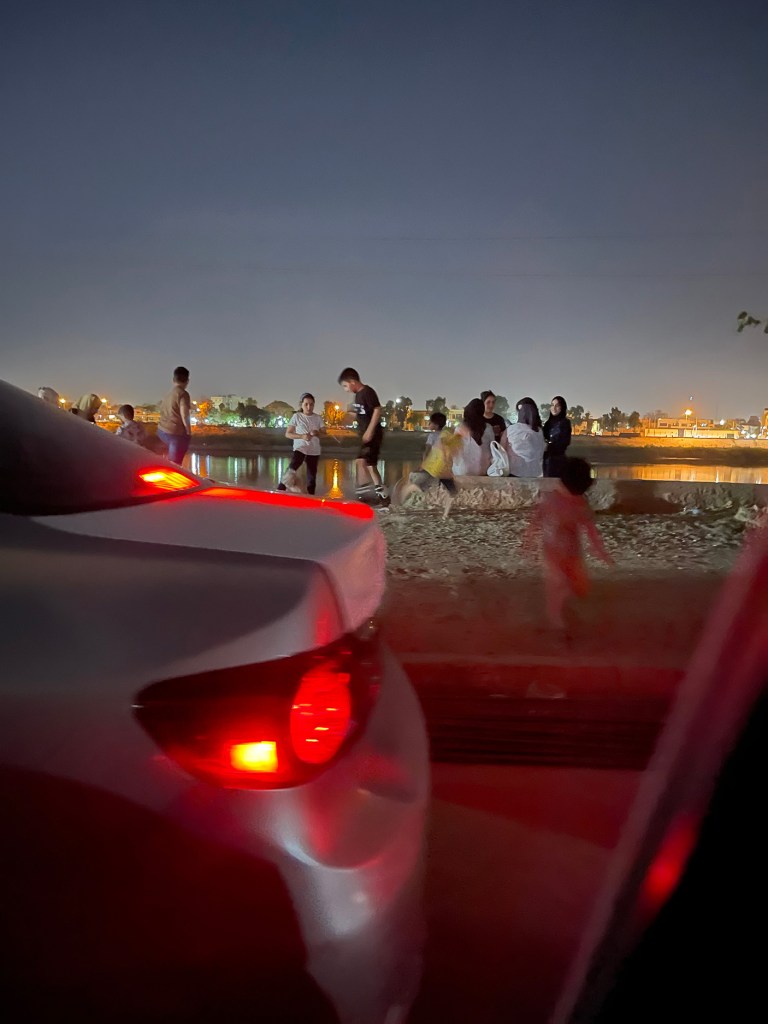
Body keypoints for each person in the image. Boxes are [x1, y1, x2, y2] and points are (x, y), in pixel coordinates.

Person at [526, 457, 614, 629]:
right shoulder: (571, 503)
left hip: (564, 551)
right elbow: (592, 532)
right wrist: (601, 552)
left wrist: (528, 542)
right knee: (560, 584)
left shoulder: (561, 501)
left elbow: (535, 522)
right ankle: (557, 621)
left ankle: (561, 614)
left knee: (573, 586)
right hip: (559, 552)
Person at [393, 412, 463, 517]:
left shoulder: (432, 436)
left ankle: (403, 499)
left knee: (418, 484)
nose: (429, 424)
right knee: (450, 491)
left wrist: (423, 464)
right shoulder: (446, 434)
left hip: (433, 467)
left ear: (436, 425)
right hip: (441, 468)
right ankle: (445, 514)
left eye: (430, 423)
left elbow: (427, 451)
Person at [337, 367, 388, 503]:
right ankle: (372, 495)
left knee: (366, 463)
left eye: (345, 386)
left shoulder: (367, 392)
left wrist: (370, 430)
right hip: (365, 435)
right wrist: (343, 426)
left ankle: (377, 496)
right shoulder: (358, 396)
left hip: (373, 434)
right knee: (365, 463)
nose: (345, 390)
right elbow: (355, 414)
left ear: (352, 381)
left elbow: (377, 410)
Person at [277, 392, 323, 495]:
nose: (309, 407)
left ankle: (311, 498)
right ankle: (279, 491)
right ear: (301, 405)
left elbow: (324, 433)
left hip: (314, 450)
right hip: (300, 448)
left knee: (311, 478)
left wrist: (317, 433)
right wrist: (302, 436)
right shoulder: (296, 416)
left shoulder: (318, 418)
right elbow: (288, 434)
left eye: (311, 404)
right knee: (291, 470)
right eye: (306, 404)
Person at [158, 366, 192, 465]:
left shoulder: (168, 395)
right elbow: (184, 414)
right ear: (187, 381)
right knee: (175, 465)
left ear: (173, 380)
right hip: (174, 433)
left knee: (167, 463)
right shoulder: (183, 394)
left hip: (161, 431)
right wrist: (188, 431)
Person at [453, 398, 495, 475]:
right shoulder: (488, 428)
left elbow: (455, 451)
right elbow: (492, 448)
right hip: (484, 470)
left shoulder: (460, 428)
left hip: (463, 470)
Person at [505, 398, 545, 477]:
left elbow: (502, 448)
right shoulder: (539, 431)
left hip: (515, 471)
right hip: (535, 472)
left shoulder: (513, 429)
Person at [543, 395, 572, 478]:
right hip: (546, 460)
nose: (554, 408)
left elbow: (565, 442)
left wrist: (549, 446)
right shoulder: (547, 424)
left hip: (558, 461)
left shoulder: (565, 423)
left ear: (562, 407)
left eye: (557, 405)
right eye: (552, 405)